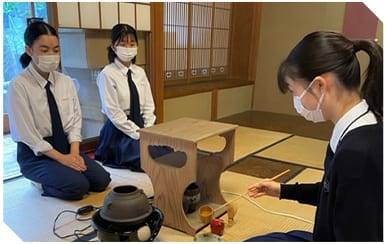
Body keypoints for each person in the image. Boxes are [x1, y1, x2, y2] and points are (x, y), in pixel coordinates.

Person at [246, 31, 382, 241]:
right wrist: (282, 190)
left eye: (294, 91)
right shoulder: (356, 124)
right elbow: (332, 193)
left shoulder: (357, 152)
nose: (296, 100)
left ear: (319, 85)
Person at [7, 21, 111, 201]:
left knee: (102, 180)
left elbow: (75, 121)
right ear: (29, 50)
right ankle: (40, 183)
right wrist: (63, 160)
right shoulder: (19, 86)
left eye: (56, 50)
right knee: (78, 186)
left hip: (65, 147)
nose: (52, 55)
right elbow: (27, 134)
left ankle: (62, 173)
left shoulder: (66, 81)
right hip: (36, 156)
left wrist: (73, 153)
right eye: (44, 50)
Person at [95, 24, 172, 172]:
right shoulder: (107, 74)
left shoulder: (139, 72)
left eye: (132, 44)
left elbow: (149, 105)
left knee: (167, 151)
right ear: (113, 47)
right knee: (149, 157)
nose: (128, 48)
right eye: (123, 44)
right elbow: (113, 112)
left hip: (142, 125)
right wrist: (137, 133)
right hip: (120, 131)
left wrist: (148, 130)